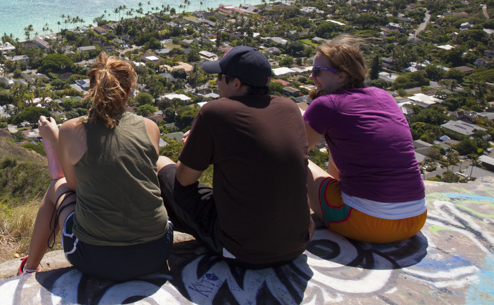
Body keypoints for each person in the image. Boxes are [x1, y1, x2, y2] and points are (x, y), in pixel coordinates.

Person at [20, 53, 172, 280]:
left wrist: (55, 139)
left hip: (95, 257)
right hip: (156, 251)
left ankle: (29, 267)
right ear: (129, 92)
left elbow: (72, 184)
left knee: (57, 186)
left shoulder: (73, 130)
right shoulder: (149, 127)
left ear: (92, 90)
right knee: (160, 163)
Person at [157, 46, 313, 266]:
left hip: (242, 250)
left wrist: (195, 147)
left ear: (236, 83)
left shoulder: (215, 112)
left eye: (220, 78)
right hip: (297, 243)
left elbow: (184, 180)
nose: (217, 83)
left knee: (162, 163)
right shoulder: (289, 108)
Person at [303, 35, 426, 243]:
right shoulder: (383, 96)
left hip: (368, 223)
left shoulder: (327, 105)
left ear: (341, 76)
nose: (311, 78)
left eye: (317, 72)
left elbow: (291, 150)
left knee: (298, 162)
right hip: (415, 219)